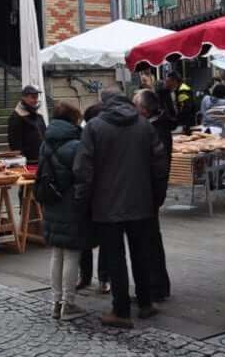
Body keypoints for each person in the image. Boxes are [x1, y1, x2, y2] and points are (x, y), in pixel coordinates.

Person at [74, 90, 168, 329]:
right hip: (141, 204)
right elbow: (159, 166)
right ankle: (145, 303)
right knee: (141, 254)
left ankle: (122, 310)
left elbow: (83, 170)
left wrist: (82, 204)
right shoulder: (144, 126)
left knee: (115, 258)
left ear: (104, 104)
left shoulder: (94, 127)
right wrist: (156, 199)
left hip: (106, 206)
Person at [38, 101, 87, 320]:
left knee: (57, 252)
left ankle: (55, 302)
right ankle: (69, 304)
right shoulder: (76, 145)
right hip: (70, 204)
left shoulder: (45, 143)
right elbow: (83, 176)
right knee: (72, 253)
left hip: (51, 202)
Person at [133, 89, 172, 302]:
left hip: (149, 193)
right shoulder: (156, 126)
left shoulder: (155, 130)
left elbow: (158, 167)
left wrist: (156, 195)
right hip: (148, 192)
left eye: (135, 106)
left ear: (144, 110)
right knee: (150, 240)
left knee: (150, 242)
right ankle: (156, 286)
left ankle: (156, 287)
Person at [78, 103, 109, 295]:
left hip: (101, 195)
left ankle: (99, 277)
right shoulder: (84, 137)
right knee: (89, 239)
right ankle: (94, 277)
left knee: (101, 240)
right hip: (95, 194)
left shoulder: (104, 136)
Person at [8, 85, 47, 165]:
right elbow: (14, 144)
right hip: (28, 162)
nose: (35, 100)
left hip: (42, 159)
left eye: (36, 97)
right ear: (24, 98)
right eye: (32, 97)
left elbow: (45, 136)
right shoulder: (16, 117)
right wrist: (22, 161)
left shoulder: (39, 115)